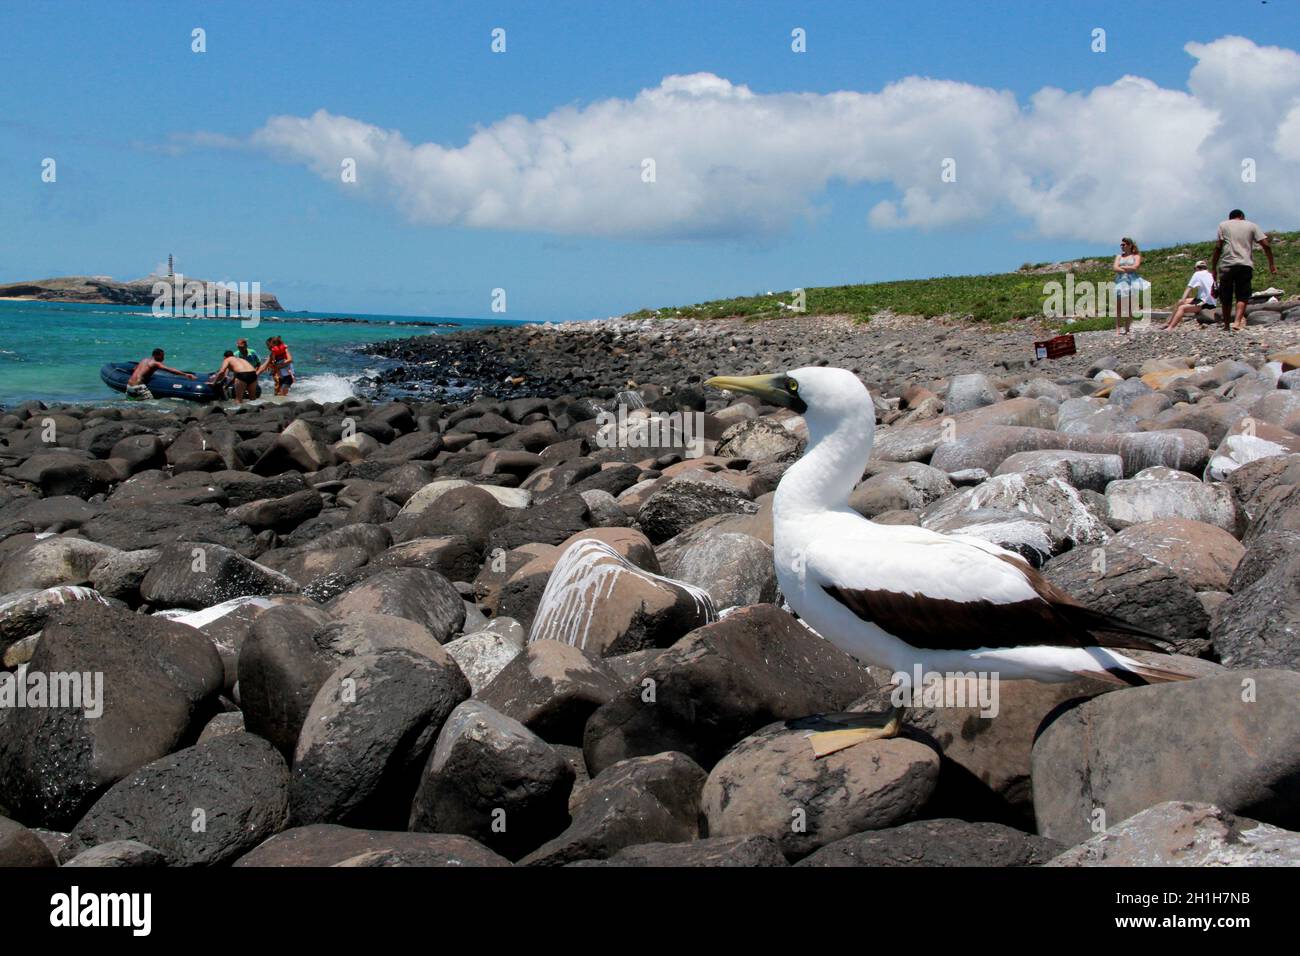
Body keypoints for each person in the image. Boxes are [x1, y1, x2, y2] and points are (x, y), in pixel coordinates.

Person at [1210, 209, 1277, 332]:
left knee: (1226, 296)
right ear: (1242, 216)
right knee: (1242, 295)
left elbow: (1218, 247)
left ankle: (1226, 325)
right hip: (1245, 264)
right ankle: (1237, 322)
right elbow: (1266, 245)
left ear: (1230, 218)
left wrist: (1213, 268)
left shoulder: (1223, 225)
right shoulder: (1252, 225)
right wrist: (1271, 264)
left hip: (1227, 264)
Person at [1112, 237, 1150, 341]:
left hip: (1131, 282)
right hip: (1120, 282)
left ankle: (1127, 328)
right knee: (1119, 306)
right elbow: (1115, 267)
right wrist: (1126, 269)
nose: (1122, 246)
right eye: (1121, 245)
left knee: (1129, 306)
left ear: (1129, 245)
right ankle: (1118, 329)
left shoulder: (1136, 256)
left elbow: (1135, 267)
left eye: (1123, 245)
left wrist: (1122, 268)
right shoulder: (1119, 256)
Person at [1163, 261, 1217, 331]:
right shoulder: (1211, 275)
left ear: (1197, 268)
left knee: (1182, 308)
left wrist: (1183, 299)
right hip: (1210, 300)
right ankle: (1168, 322)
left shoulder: (1197, 274)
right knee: (1180, 302)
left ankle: (1170, 328)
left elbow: (1189, 288)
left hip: (1205, 303)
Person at [126, 348, 195, 400]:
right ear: (156, 355)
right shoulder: (155, 363)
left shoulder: (144, 360)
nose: (163, 358)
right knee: (151, 403)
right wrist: (185, 374)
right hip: (138, 386)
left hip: (129, 386)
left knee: (133, 401)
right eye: (162, 356)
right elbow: (170, 369)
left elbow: (134, 369)